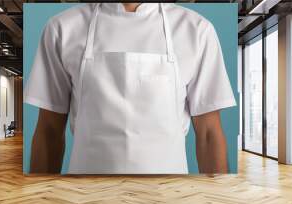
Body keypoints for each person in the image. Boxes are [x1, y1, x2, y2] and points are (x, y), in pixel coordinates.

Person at [24, 3, 236, 174]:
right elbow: (49, 130)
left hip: (171, 194)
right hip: (85, 196)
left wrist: (219, 201)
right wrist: (39, 200)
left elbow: (209, 132)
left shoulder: (196, 29)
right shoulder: (62, 28)